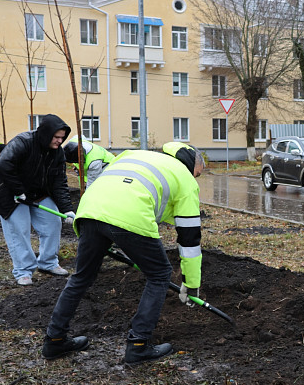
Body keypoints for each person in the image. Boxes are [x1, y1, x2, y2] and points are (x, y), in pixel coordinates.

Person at [42, 142, 205, 365]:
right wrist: (191, 283)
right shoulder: (185, 178)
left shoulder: (133, 155)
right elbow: (190, 239)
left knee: (81, 277)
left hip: (89, 210)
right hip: (128, 215)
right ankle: (139, 345)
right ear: (190, 165)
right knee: (159, 275)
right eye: (198, 174)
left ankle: (54, 339)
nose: (196, 180)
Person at [0, 115, 75, 286]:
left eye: (62, 138)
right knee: (19, 230)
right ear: (46, 133)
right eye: (56, 137)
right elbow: (3, 165)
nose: (60, 141)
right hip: (10, 193)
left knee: (52, 223)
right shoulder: (23, 142)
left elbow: (59, 181)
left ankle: (48, 263)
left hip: (38, 192)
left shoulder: (57, 152)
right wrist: (18, 191)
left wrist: (66, 209)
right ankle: (23, 271)